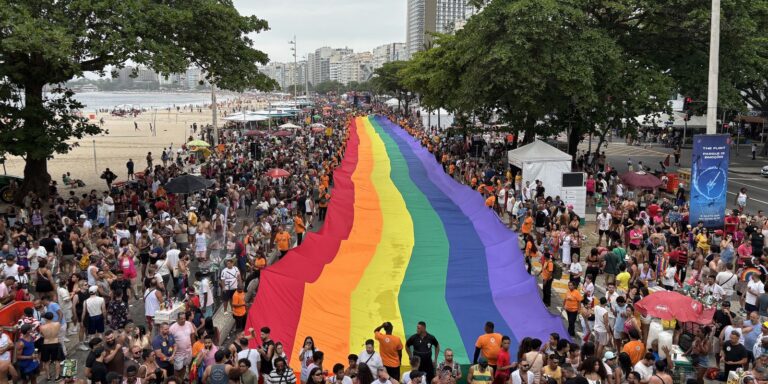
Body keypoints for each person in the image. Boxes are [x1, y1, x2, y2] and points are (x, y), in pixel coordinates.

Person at [168, 312, 195, 379]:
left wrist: (193, 346)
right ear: (177, 319)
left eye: (184, 318)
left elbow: (192, 335)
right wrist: (171, 353)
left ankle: (181, 380)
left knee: (184, 366)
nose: (183, 320)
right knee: (177, 370)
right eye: (181, 319)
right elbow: (169, 341)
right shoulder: (172, 328)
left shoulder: (189, 324)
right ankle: (176, 380)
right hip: (178, 354)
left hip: (188, 352)